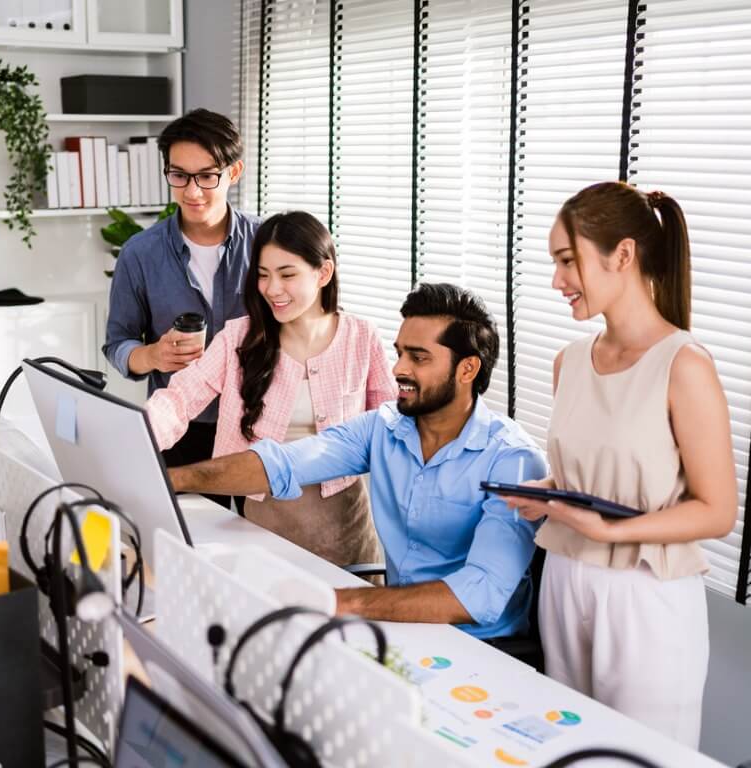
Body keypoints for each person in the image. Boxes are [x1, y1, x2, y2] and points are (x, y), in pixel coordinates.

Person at [169, 283, 547, 639]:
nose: (399, 368)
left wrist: (337, 601)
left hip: (481, 649)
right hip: (399, 627)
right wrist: (172, 479)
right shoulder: (384, 427)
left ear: (467, 369)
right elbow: (280, 464)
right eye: (400, 352)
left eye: (419, 357)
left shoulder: (512, 460)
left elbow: (478, 595)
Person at [502, 181, 737, 747]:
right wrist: (550, 490)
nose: (557, 280)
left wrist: (614, 527)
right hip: (566, 578)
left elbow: (717, 511)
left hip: (645, 592)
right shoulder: (570, 362)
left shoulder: (685, 365)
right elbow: (593, 469)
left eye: (566, 261)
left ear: (623, 255)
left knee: (645, 754)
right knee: (571, 750)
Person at [145, 211, 395, 566]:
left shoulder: (361, 337)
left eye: (287, 274)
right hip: (264, 531)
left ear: (323, 273)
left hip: (346, 534)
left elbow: (392, 427)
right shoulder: (239, 338)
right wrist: (138, 439)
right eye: (263, 275)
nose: (272, 289)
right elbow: (179, 398)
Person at [102, 109, 262, 496]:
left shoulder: (266, 243)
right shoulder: (139, 254)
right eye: (179, 175)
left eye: (207, 176)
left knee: (257, 548)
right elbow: (117, 343)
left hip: (256, 427)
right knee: (187, 545)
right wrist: (153, 356)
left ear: (234, 172)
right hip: (179, 430)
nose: (192, 191)